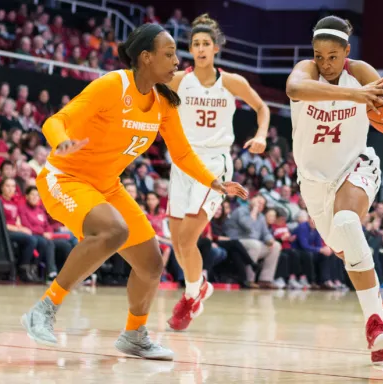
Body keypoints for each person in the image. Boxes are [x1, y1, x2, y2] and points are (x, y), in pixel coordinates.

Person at [19, 24, 247, 360]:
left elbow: (182, 154)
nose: (176, 61)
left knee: (151, 264)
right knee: (113, 230)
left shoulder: (163, 103)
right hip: (65, 177)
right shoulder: (114, 85)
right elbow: (56, 120)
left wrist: (213, 182)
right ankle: (44, 309)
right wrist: (61, 142)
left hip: (107, 185)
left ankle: (134, 334)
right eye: (169, 54)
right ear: (146, 57)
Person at [285, 15, 383, 364]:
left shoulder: (362, 71)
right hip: (312, 181)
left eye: (333, 56)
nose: (325, 62)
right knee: (344, 250)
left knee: (348, 222)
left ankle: (374, 324)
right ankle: (382, 309)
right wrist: (356, 95)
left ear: (347, 52)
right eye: (319, 55)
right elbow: (294, 90)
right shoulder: (305, 72)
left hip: (356, 165)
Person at [165, 14, 270, 331]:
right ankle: (201, 287)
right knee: (177, 243)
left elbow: (263, 108)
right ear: (190, 48)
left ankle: (191, 297)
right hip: (182, 162)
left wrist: (261, 135)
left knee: (186, 240)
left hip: (214, 165)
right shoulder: (178, 80)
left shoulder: (231, 82)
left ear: (216, 49)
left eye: (205, 44)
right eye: (195, 43)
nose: (200, 49)